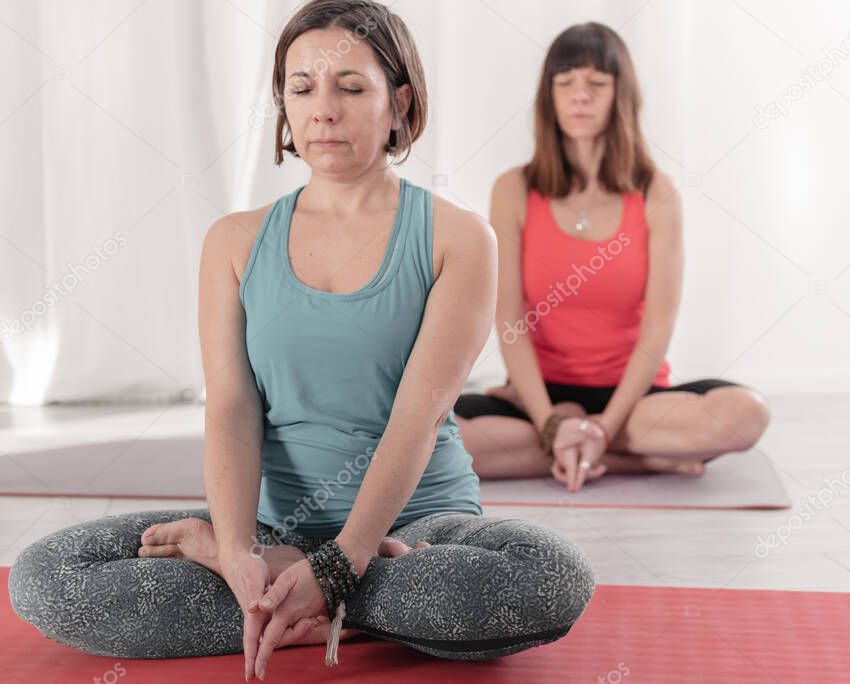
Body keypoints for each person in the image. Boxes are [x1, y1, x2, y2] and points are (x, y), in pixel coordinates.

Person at [7, 1, 595, 680]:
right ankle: (305, 593)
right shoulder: (233, 241)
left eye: (350, 87)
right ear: (283, 104)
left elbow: (421, 413)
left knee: (547, 576)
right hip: (268, 532)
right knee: (49, 577)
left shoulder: (459, 238)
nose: (323, 110)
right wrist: (233, 551)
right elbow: (230, 407)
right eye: (301, 88)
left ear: (398, 101)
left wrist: (344, 560)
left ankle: (313, 591)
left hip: (421, 536)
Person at [453, 22, 771, 494]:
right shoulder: (514, 189)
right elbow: (509, 320)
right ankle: (641, 458)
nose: (580, 96)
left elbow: (659, 325)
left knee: (747, 415)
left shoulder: (655, 191)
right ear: (549, 98)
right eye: (566, 83)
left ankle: (590, 444)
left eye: (597, 83)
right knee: (436, 436)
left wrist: (602, 426)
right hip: (537, 397)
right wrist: (549, 422)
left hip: (635, 401)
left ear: (621, 96)